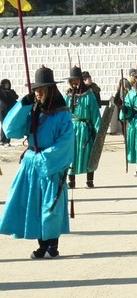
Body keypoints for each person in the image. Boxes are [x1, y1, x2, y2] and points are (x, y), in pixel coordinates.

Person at [0, 66, 74, 259]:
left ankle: (52, 244)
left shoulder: (63, 115)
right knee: (34, 205)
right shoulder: (34, 112)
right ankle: (42, 245)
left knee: (51, 206)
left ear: (51, 89)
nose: (38, 93)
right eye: (36, 89)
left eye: (42, 89)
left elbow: (65, 143)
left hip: (51, 166)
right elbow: (10, 129)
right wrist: (23, 104)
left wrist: (42, 159)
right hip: (32, 165)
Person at [64, 66, 101, 188]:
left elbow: (95, 114)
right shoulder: (67, 96)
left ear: (80, 80)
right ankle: (71, 181)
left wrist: (99, 132)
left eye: (76, 80)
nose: (74, 83)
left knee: (88, 153)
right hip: (71, 129)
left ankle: (89, 180)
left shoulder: (89, 95)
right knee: (71, 154)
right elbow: (63, 114)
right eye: (72, 80)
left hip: (86, 129)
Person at [0, 78, 18, 146]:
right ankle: (2, 140)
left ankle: (7, 141)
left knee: (8, 124)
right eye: (5, 84)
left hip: (10, 110)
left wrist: (9, 93)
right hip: (2, 110)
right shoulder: (1, 91)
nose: (6, 85)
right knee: (3, 125)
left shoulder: (11, 91)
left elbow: (16, 97)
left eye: (7, 84)